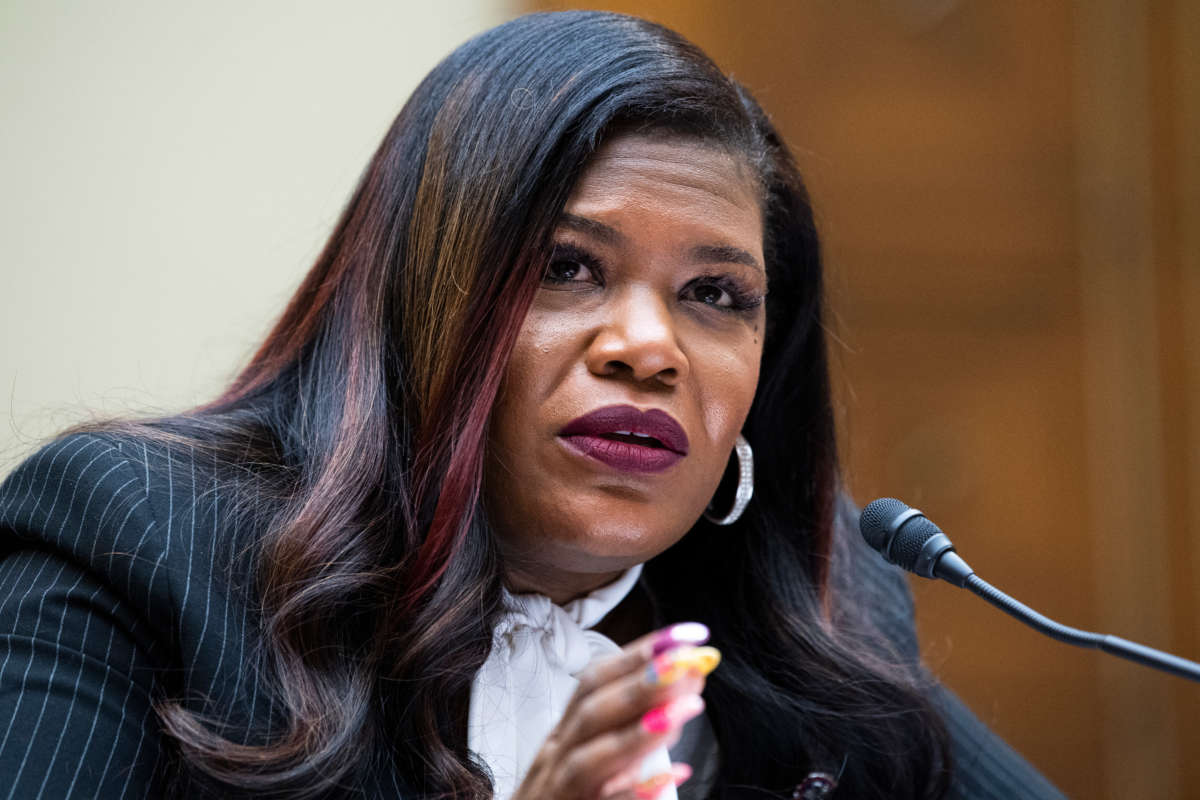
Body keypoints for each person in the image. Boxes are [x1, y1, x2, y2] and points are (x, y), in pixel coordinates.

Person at [0, 11, 1065, 800]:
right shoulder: (136, 540)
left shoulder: (822, 603)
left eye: (716, 295)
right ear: (416, 304)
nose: (650, 348)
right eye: (565, 267)